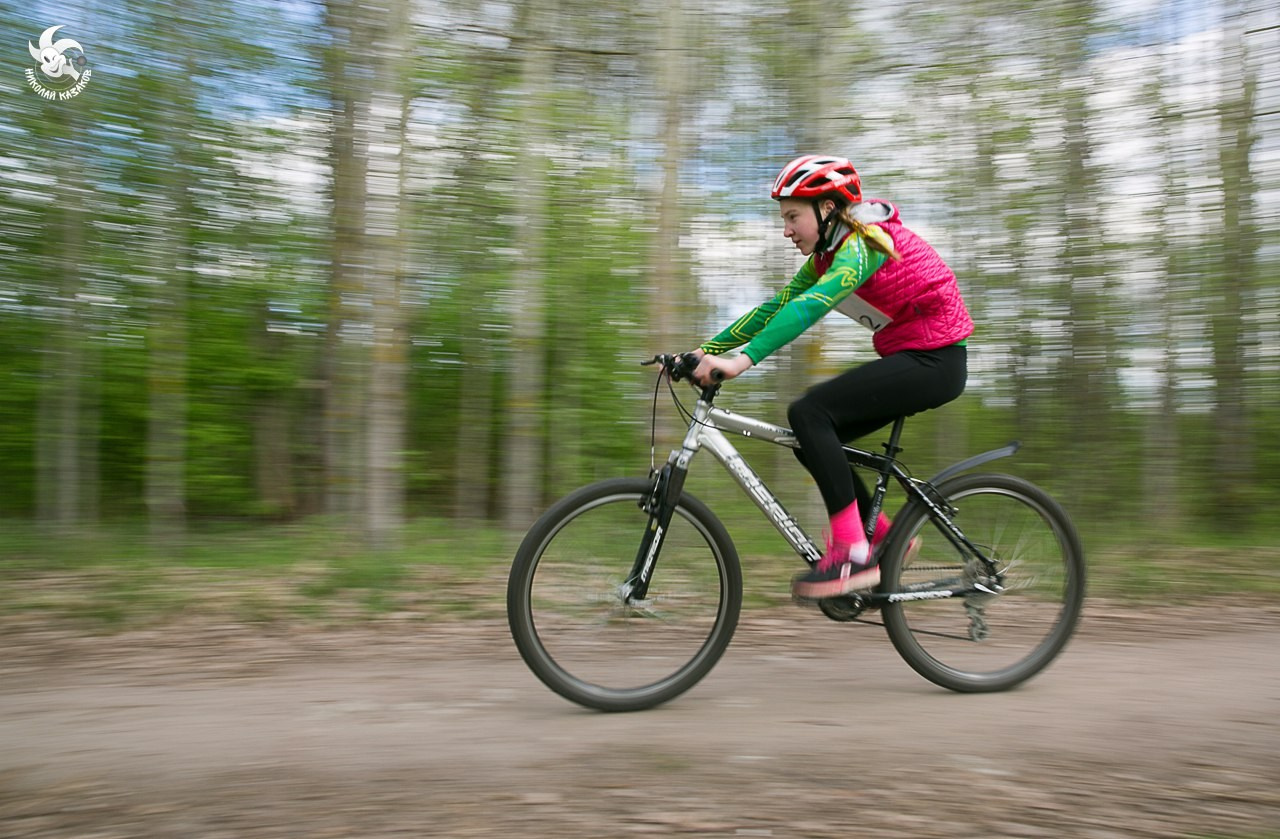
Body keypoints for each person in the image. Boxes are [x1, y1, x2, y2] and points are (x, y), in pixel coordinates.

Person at [687, 154, 973, 601]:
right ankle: (883, 537)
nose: (786, 230)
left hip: (936, 361)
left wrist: (743, 361)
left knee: (810, 411)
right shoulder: (828, 256)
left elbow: (812, 305)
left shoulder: (866, 243)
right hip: (914, 358)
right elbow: (776, 306)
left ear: (827, 209)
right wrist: (705, 351)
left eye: (792, 217)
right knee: (811, 435)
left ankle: (854, 552)